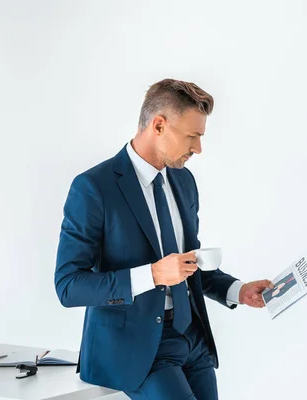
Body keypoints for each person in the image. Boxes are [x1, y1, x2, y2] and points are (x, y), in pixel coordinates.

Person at [54, 78, 273, 400]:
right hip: (136, 348)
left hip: (191, 336)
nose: (198, 148)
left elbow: (189, 262)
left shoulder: (183, 181)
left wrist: (237, 290)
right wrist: (154, 275)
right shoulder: (94, 188)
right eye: (192, 136)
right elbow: (69, 286)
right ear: (158, 125)